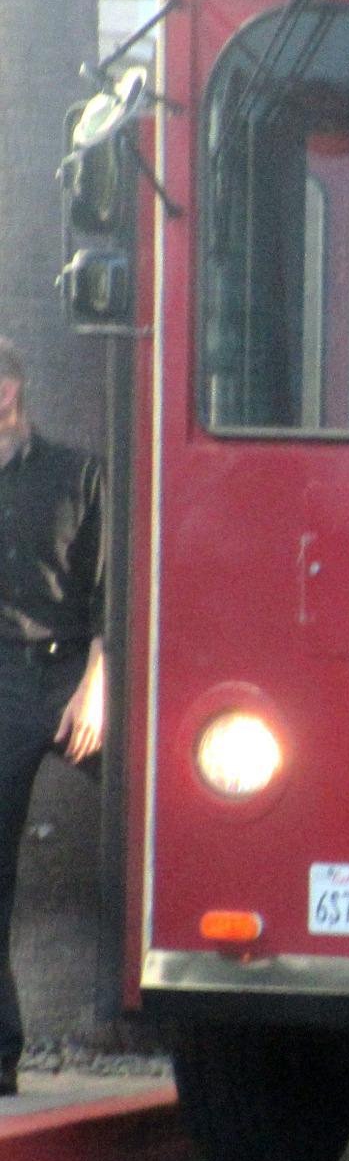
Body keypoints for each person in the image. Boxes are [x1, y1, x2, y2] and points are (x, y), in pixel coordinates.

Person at [0, 340, 104, 1095]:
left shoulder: (77, 472)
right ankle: (2, 1057)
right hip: (2, 677)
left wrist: (97, 684)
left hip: (76, 672)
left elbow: (108, 589)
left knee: (161, 809)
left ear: (13, 388)